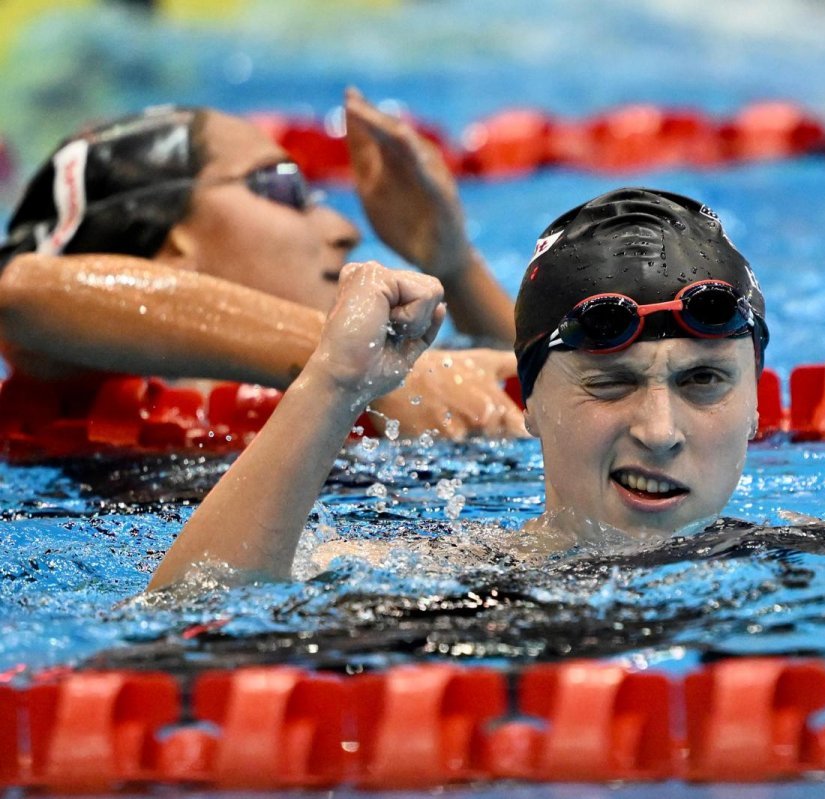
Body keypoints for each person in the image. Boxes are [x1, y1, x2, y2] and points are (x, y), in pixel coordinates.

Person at [148, 187, 775, 590]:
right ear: (527, 403)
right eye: (611, 385)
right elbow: (191, 622)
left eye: (703, 380)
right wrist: (334, 384)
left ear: (754, 401)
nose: (659, 432)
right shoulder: (438, 584)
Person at [0, 88, 524, 441]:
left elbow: (549, 402)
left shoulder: (342, 401)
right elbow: (21, 293)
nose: (346, 230)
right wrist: (353, 365)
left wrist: (456, 266)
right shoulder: (71, 402)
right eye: (282, 187)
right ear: (174, 246)